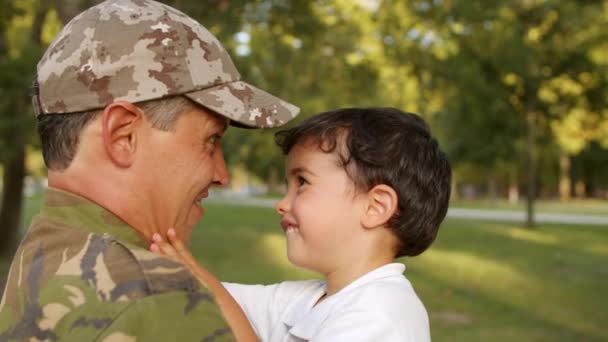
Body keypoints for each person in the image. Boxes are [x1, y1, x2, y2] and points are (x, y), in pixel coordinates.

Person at [0, 0, 299, 341]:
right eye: (211, 140)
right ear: (123, 135)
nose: (222, 174)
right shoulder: (160, 300)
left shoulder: (40, 254)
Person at [152, 107, 452, 341]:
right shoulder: (307, 299)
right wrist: (182, 267)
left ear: (375, 207)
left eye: (303, 182)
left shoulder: (382, 315)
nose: (281, 203)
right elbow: (221, 299)